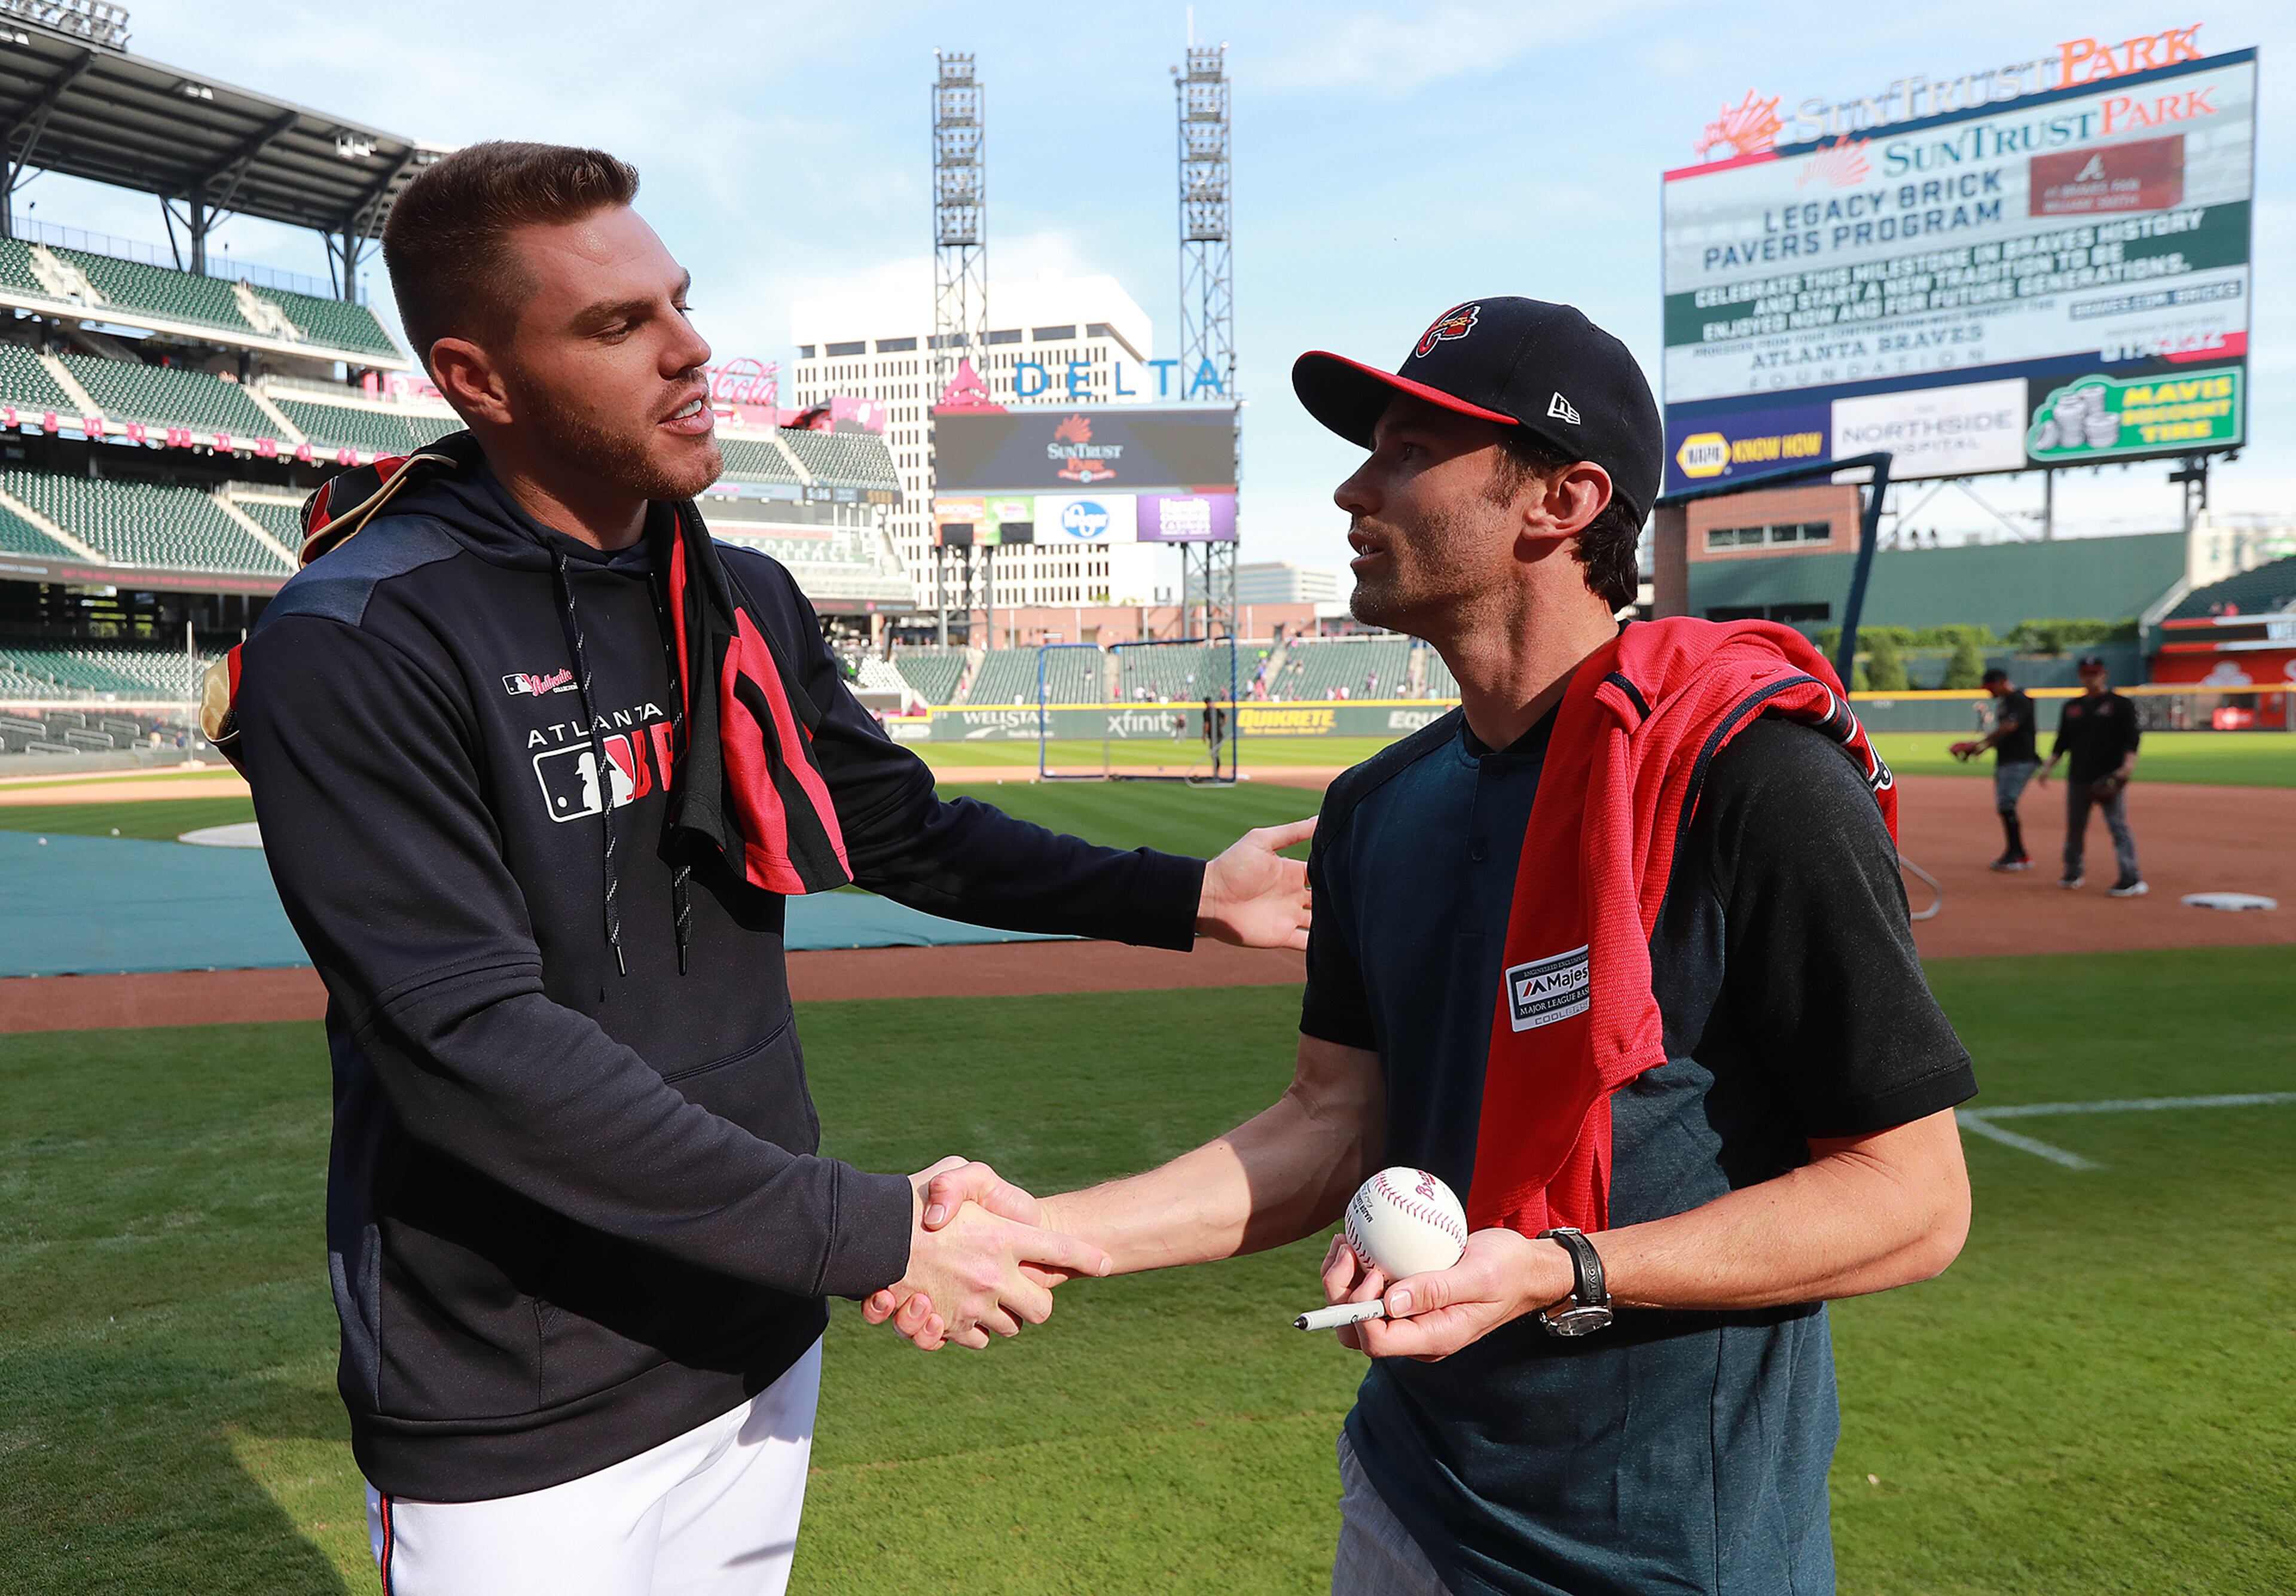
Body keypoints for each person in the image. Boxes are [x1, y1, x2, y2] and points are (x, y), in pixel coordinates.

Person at [207, 143, 1312, 1596]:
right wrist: (874, 1234)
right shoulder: (358, 639)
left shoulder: (732, 587)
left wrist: (1185, 897)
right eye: (616, 325)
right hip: (520, 1381)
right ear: (479, 380)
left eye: (678, 300)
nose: (690, 349)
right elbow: (470, 1043)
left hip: (751, 1317)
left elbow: (897, 826)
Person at [884, 297, 1976, 1595]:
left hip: (1668, 1552)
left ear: (1561, 500)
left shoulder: (1752, 777)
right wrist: (1052, 1227)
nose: (1353, 485)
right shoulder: (1376, 808)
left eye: (1407, 451)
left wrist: (1565, 1269)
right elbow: (1331, 1124)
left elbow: (1911, 1198)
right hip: (1410, 1502)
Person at [2038, 654, 2144, 895]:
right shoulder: (2072, 707)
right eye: (2087, 673)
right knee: (2075, 828)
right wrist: (2048, 767)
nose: (2091, 677)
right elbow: (2061, 742)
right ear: (2080, 676)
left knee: (2118, 827)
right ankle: (2073, 871)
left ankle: (2131, 878)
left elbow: (2132, 740)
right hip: (2078, 777)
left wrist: (2127, 768)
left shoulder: (2120, 705)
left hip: (2108, 777)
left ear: (2104, 674)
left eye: (2095, 673)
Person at [1950, 667, 2039, 869]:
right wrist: (1979, 749)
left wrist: (1977, 744)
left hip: (2020, 759)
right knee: (2006, 806)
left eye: (1991, 687)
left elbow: (2010, 727)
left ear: (2002, 682)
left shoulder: (2019, 699)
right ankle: (2018, 853)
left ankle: (2017, 854)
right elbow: (2004, 734)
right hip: (2009, 759)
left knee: (2007, 805)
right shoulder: (2006, 702)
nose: (1989, 692)